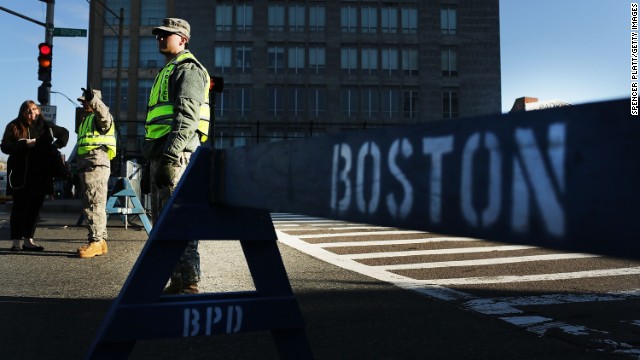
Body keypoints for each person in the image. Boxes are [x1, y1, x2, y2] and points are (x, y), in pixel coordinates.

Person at [145, 18, 211, 294]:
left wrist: (170, 157)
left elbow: (187, 117)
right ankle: (179, 281)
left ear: (183, 39)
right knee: (165, 222)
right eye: (159, 35)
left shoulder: (188, 70)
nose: (160, 38)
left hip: (177, 154)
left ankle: (189, 283)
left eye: (166, 35)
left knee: (178, 219)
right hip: (163, 153)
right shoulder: (169, 70)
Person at [1, 100, 69, 251]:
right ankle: (16, 242)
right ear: (22, 112)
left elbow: (64, 133)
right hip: (21, 175)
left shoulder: (46, 126)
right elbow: (5, 147)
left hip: (41, 174)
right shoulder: (14, 125)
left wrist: (56, 146)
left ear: (38, 111)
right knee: (19, 208)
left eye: (33, 109)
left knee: (34, 208)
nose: (31, 113)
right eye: (27, 110)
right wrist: (24, 144)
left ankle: (28, 240)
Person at [76, 86, 117, 258]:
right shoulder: (87, 119)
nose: (83, 103)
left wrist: (94, 100)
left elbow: (104, 116)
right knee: (96, 203)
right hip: (90, 165)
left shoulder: (100, 117)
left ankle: (95, 241)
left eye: (86, 100)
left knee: (93, 204)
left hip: (95, 164)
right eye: (83, 101)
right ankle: (101, 241)